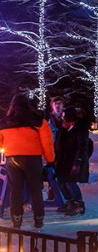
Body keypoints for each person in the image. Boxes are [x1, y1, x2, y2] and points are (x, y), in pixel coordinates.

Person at [0, 94, 55, 229]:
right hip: (33, 159)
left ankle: (16, 218)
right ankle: (38, 218)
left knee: (16, 190)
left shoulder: (4, 122)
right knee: (36, 190)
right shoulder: (39, 121)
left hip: (12, 159)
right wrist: (50, 160)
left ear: (12, 106)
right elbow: (47, 143)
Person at [54, 108, 90, 216]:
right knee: (60, 181)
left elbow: (82, 147)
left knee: (70, 181)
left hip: (74, 160)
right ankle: (70, 202)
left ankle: (79, 204)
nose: (61, 119)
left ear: (70, 119)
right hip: (64, 160)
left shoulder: (80, 129)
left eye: (63, 117)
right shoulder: (64, 129)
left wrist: (77, 162)